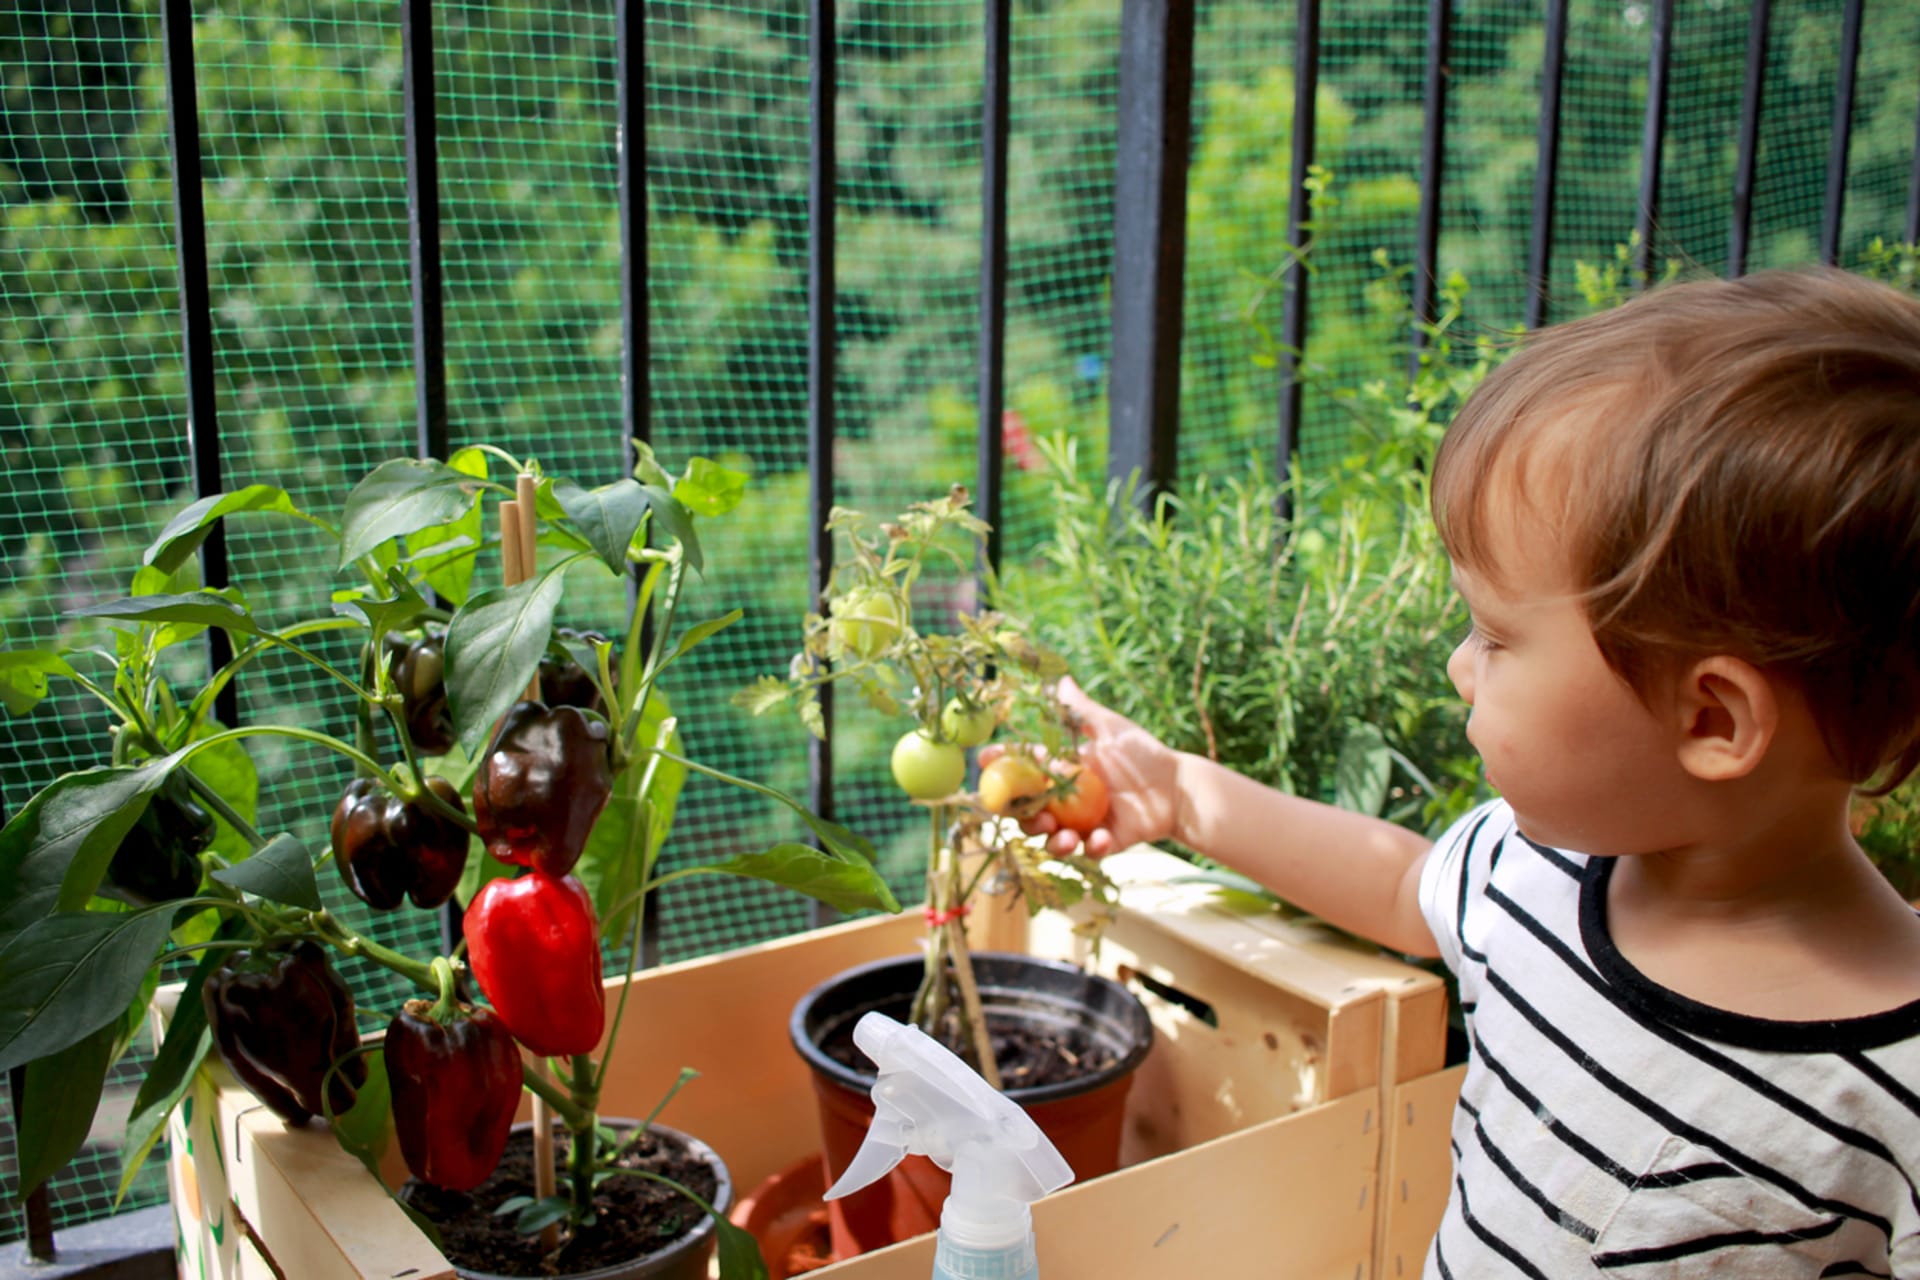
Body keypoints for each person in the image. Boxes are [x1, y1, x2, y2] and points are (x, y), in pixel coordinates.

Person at [1021, 267, 1920, 1276]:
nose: (1459, 664)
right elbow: (1403, 884)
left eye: (1495, 634)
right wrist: (1183, 794)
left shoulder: (1892, 1088)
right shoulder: (1540, 875)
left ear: (1711, 717)